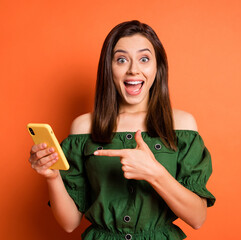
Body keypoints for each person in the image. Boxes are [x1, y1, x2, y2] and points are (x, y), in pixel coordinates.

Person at [28, 20, 215, 240]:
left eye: (144, 59)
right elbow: (69, 223)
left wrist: (155, 173)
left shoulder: (181, 125)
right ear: (109, 68)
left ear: (158, 67)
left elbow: (197, 218)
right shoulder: (83, 128)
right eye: (121, 59)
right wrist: (53, 177)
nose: (133, 69)